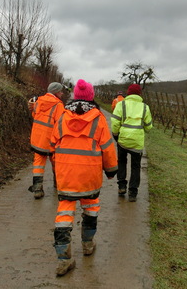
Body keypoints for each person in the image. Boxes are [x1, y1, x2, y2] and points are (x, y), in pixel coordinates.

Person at [50, 79, 117, 276]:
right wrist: (111, 169)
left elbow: (53, 143)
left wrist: (58, 165)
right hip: (90, 174)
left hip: (66, 175)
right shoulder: (98, 118)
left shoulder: (63, 116)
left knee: (64, 212)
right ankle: (88, 245)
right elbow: (107, 146)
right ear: (91, 97)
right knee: (91, 207)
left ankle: (63, 259)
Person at [111, 83, 153, 202]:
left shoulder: (121, 104)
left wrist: (116, 135)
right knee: (135, 166)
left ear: (128, 93)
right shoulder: (145, 107)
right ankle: (133, 192)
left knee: (122, 162)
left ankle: (122, 186)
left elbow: (115, 123)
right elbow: (149, 127)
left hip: (123, 140)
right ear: (140, 94)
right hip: (137, 142)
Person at [28, 82, 65, 199]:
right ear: (56, 92)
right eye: (60, 91)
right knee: (55, 161)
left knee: (38, 163)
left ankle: (37, 189)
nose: (62, 93)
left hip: (37, 138)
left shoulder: (38, 101)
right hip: (51, 140)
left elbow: (34, 115)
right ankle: (57, 184)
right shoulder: (58, 105)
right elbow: (60, 124)